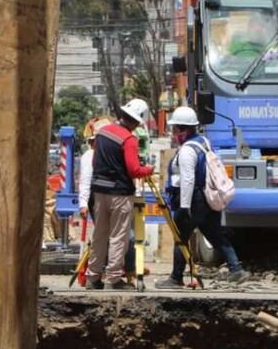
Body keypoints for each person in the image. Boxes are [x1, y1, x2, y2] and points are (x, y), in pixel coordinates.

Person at [154, 106, 248, 289]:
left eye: (174, 129)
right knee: (214, 233)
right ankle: (236, 269)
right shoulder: (203, 141)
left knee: (180, 237)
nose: (173, 133)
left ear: (183, 129)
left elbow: (188, 180)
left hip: (193, 199)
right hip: (206, 198)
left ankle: (175, 277)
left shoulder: (188, 150)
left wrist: (185, 207)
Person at [86, 99, 154, 290]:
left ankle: (93, 277)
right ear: (136, 121)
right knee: (118, 236)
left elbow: (95, 162)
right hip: (120, 194)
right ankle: (114, 278)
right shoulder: (129, 139)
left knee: (99, 235)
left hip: (99, 191)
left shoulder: (102, 133)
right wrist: (148, 169)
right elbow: (134, 170)